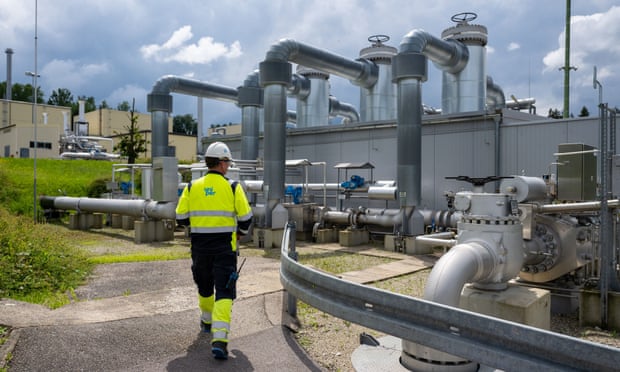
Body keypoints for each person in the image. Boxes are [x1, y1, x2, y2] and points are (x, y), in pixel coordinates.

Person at [176, 141, 253, 360]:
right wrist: (238, 233)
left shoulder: (192, 187)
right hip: (225, 249)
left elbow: (180, 219)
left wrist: (199, 225)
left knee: (205, 286)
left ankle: (207, 320)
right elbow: (247, 219)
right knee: (225, 291)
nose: (228, 166)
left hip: (199, 249)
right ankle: (220, 340)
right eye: (227, 162)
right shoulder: (232, 187)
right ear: (220, 163)